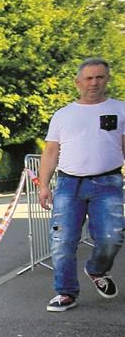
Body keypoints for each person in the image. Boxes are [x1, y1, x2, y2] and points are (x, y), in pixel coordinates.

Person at [36, 57, 125, 312]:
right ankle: (66, 293)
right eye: (88, 78)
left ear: (107, 79)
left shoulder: (120, 109)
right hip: (68, 185)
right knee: (62, 241)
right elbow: (51, 151)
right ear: (78, 82)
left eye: (99, 77)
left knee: (112, 236)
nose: (94, 82)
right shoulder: (63, 115)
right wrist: (44, 185)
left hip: (108, 182)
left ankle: (96, 270)